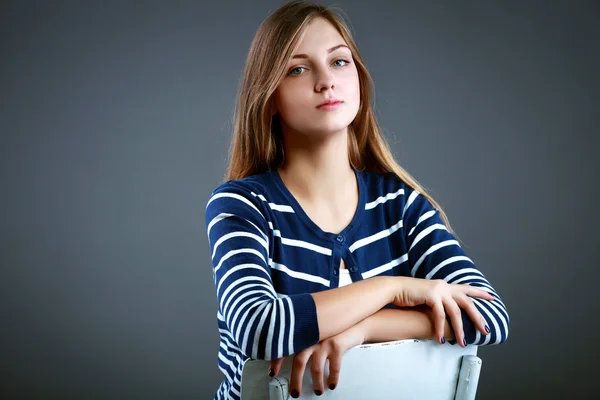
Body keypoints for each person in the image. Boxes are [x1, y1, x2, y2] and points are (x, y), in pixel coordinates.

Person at [204, 1, 509, 398]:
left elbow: (489, 316)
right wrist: (392, 290)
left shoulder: (401, 207)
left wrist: (363, 328)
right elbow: (259, 326)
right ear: (271, 96)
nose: (325, 81)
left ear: (359, 79)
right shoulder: (241, 206)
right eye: (298, 69)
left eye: (339, 62)